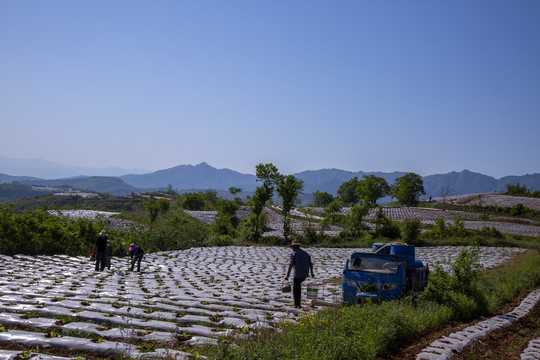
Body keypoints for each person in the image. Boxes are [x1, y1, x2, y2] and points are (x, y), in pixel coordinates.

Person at [284, 240, 314, 308]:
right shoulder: (305, 253)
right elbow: (310, 264)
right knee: (298, 287)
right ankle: (298, 303)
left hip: (298, 274)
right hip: (305, 274)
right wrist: (312, 273)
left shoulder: (294, 254)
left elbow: (291, 265)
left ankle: (297, 305)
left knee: (296, 290)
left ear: (294, 247)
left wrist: (287, 275)